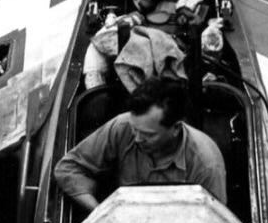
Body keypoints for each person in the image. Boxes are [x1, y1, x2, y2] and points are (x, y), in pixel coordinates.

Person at [54, 74, 226, 213]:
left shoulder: (206, 164)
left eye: (147, 135)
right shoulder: (122, 127)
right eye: (135, 129)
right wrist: (101, 213)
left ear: (175, 128)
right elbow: (68, 169)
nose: (136, 138)